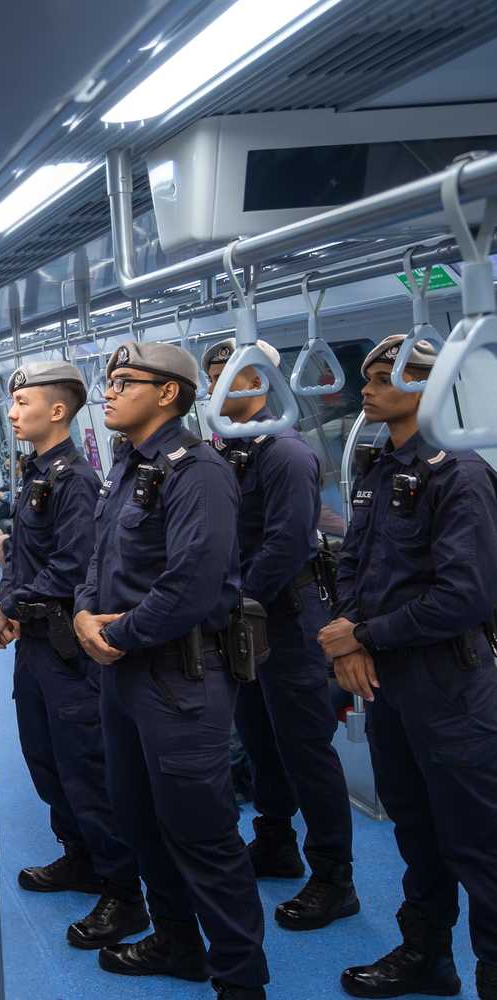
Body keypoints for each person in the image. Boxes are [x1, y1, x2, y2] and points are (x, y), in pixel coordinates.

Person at [72, 341, 268, 999]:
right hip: (124, 678)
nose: (110, 391)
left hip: (180, 681)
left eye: (125, 381)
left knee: (203, 836)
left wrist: (117, 633)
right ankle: (179, 943)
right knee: (140, 819)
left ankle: (241, 980)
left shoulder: (199, 472)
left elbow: (192, 585)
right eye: (109, 381)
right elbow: (99, 560)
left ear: (168, 393)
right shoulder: (127, 468)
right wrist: (82, 615)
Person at [319, 335, 497, 1000]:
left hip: (450, 686)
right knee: (417, 833)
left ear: (427, 387)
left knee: (479, 844)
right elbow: (351, 566)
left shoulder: (462, 474)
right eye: (365, 375)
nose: (367, 385)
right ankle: (428, 956)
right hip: (389, 683)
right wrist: (352, 643)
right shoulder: (373, 469)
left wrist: (361, 633)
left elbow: (465, 597)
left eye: (387, 375)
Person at [0, 360, 145, 950]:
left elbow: (72, 564)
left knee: (85, 767)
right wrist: (8, 601)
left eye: (23, 402)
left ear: (57, 411)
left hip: (64, 649)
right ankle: (79, 856)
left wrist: (13, 605)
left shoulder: (74, 479)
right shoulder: (37, 473)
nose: (12, 411)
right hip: (34, 642)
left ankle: (124, 893)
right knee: (44, 758)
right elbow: (23, 555)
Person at [203, 337, 357, 931]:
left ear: (260, 382)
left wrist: (233, 599)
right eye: (212, 374)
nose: (217, 383)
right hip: (249, 620)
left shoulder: (283, 453)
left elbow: (287, 543)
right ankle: (275, 843)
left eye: (230, 374)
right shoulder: (233, 451)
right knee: (261, 739)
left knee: (305, 750)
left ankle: (334, 877)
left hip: (287, 621)